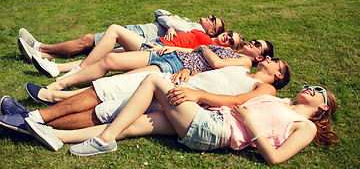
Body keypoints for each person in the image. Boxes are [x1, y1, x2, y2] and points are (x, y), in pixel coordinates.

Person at [26, 81, 338, 165]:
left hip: (214, 129)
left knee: (153, 81)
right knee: (133, 123)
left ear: (323, 107)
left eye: (319, 91)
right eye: (312, 85)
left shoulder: (306, 127)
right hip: (209, 121)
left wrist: (248, 121)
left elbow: (275, 158)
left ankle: (104, 141)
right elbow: (236, 102)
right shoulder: (283, 103)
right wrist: (205, 98)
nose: (312, 88)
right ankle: (53, 135)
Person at [0, 56, 289, 133]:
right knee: (101, 88)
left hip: (173, 97)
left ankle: (32, 124)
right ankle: (33, 117)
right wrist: (189, 73)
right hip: (171, 80)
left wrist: (196, 92)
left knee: (104, 111)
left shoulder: (266, 88)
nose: (273, 60)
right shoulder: (244, 69)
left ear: (278, 75)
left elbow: (237, 102)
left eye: (278, 63)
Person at [25, 39, 273, 105]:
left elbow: (214, 64)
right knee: (111, 58)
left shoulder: (245, 64)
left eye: (258, 46)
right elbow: (199, 54)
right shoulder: (233, 54)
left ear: (260, 57)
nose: (252, 43)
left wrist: (201, 49)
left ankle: (58, 94)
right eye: (253, 41)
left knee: (120, 82)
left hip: (176, 67)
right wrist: (169, 47)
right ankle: (60, 83)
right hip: (174, 56)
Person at [29, 23, 243, 79]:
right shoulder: (201, 33)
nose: (228, 37)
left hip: (157, 50)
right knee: (106, 54)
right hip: (156, 42)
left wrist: (165, 46)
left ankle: (78, 70)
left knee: (114, 31)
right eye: (230, 33)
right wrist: (171, 28)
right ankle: (56, 67)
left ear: (229, 49)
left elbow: (190, 52)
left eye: (231, 41)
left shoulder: (211, 48)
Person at [18, 9, 226, 62]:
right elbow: (160, 14)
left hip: (141, 35)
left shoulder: (194, 32)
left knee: (89, 40)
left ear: (211, 32)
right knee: (92, 48)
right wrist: (170, 23)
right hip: (140, 31)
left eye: (213, 19)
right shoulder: (188, 23)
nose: (209, 16)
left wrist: (171, 23)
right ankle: (43, 57)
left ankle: (40, 47)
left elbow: (167, 20)